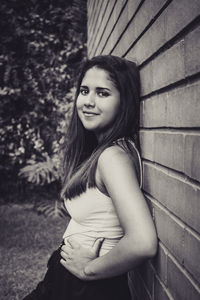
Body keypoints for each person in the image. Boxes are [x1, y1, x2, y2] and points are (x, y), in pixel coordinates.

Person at [23, 55, 157, 300]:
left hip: (86, 288)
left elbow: (143, 242)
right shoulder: (104, 151)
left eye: (103, 93)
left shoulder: (112, 158)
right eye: (84, 91)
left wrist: (89, 270)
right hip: (69, 279)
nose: (88, 101)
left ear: (123, 102)